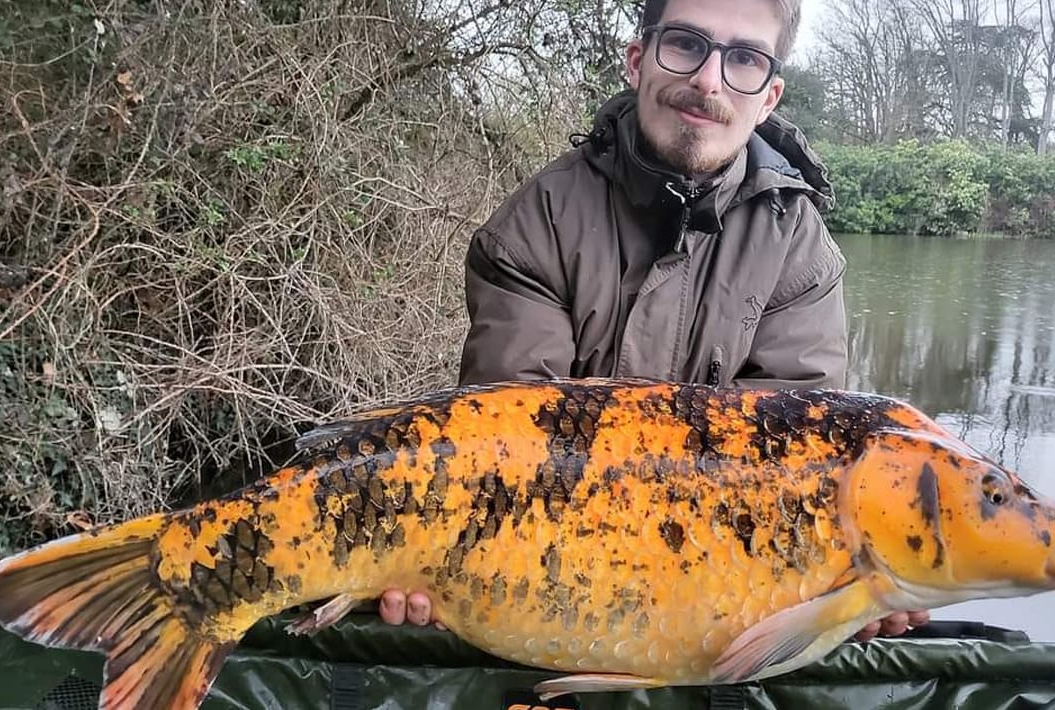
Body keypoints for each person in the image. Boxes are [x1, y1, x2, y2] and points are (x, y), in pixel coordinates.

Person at [378, 0, 929, 643]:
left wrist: (852, 586)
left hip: (718, 587)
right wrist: (422, 562)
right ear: (639, 60)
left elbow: (784, 486)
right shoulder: (539, 221)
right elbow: (507, 456)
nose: (709, 79)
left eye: (744, 58)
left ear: (770, 95)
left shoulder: (800, 252)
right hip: (546, 566)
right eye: (686, 44)